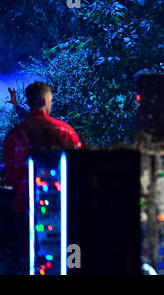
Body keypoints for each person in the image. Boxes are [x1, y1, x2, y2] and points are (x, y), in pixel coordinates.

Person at [3, 81, 82, 273]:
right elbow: (81, 169)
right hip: (62, 212)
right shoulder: (65, 131)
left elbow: (11, 176)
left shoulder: (14, 136)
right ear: (47, 100)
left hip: (24, 210)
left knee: (25, 263)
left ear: (29, 102)